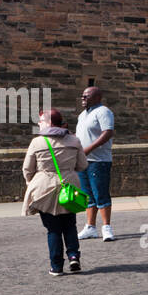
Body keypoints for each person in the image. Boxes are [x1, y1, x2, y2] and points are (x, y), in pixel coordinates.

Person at [23, 109, 89, 276]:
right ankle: (73, 256)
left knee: (53, 229)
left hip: (45, 188)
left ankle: (57, 266)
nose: (39, 124)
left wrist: (32, 182)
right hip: (69, 186)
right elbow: (82, 165)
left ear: (48, 123)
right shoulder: (74, 140)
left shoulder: (37, 142)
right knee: (70, 225)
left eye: (41, 121)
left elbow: (27, 169)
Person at [75, 86, 115, 243]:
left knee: (100, 194)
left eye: (86, 96)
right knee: (87, 195)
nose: (83, 98)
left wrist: (89, 149)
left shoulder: (103, 112)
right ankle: (90, 227)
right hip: (84, 161)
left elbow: (108, 132)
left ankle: (106, 227)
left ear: (97, 97)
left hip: (99, 161)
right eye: (82, 96)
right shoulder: (82, 115)